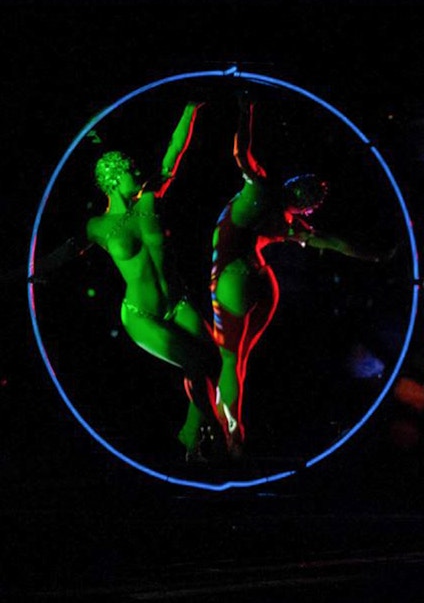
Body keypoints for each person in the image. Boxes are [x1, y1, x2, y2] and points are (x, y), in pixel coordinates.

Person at [35, 102, 222, 460]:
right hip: (141, 314)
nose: (139, 170)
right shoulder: (98, 227)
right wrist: (30, 274)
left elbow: (173, 156)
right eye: (132, 168)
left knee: (212, 362)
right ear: (114, 177)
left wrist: (188, 111)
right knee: (197, 364)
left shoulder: (151, 200)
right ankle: (208, 432)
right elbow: (63, 253)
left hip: (178, 302)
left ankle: (189, 434)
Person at [210, 98, 385, 457]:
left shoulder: (258, 189)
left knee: (230, 360)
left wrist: (246, 110)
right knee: (239, 361)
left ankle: (233, 436)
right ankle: (233, 431)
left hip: (234, 277)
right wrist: (375, 254)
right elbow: (332, 242)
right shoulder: (290, 223)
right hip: (263, 282)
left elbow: (240, 152)